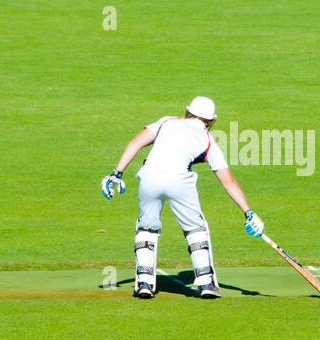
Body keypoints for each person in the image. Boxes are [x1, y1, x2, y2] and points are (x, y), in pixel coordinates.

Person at [101, 97, 263, 299]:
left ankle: (144, 282)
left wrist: (117, 173)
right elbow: (228, 181)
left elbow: (135, 143)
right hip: (180, 182)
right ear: (211, 122)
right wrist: (248, 212)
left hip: (149, 176)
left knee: (147, 228)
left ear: (187, 112)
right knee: (196, 229)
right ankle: (206, 283)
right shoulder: (208, 139)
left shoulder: (166, 121)